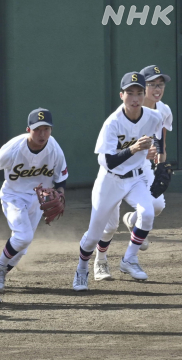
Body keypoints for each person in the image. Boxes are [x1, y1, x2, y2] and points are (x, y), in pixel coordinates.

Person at [73, 72, 163, 291]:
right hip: (110, 180)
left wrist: (155, 152)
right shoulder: (112, 123)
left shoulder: (153, 117)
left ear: (145, 94)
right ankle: (82, 268)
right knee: (96, 233)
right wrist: (133, 149)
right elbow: (108, 162)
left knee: (149, 212)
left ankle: (129, 259)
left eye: (139, 93)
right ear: (121, 95)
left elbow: (157, 139)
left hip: (136, 178)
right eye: (130, 93)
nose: (135, 98)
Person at [93, 65, 173, 281]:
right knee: (109, 226)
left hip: (141, 169)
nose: (157, 89)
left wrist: (160, 165)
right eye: (151, 84)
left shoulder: (162, 110)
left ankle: (131, 239)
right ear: (139, 88)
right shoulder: (125, 110)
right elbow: (111, 153)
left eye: (161, 84)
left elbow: (160, 141)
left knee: (155, 206)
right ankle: (100, 260)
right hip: (116, 172)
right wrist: (137, 151)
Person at [0, 108, 68, 303]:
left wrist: (60, 196)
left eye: (46, 129)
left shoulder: (55, 150)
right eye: (38, 129)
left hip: (37, 199)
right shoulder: (14, 148)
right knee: (23, 236)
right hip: (14, 196)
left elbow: (60, 179)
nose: (42, 134)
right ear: (29, 129)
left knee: (22, 248)